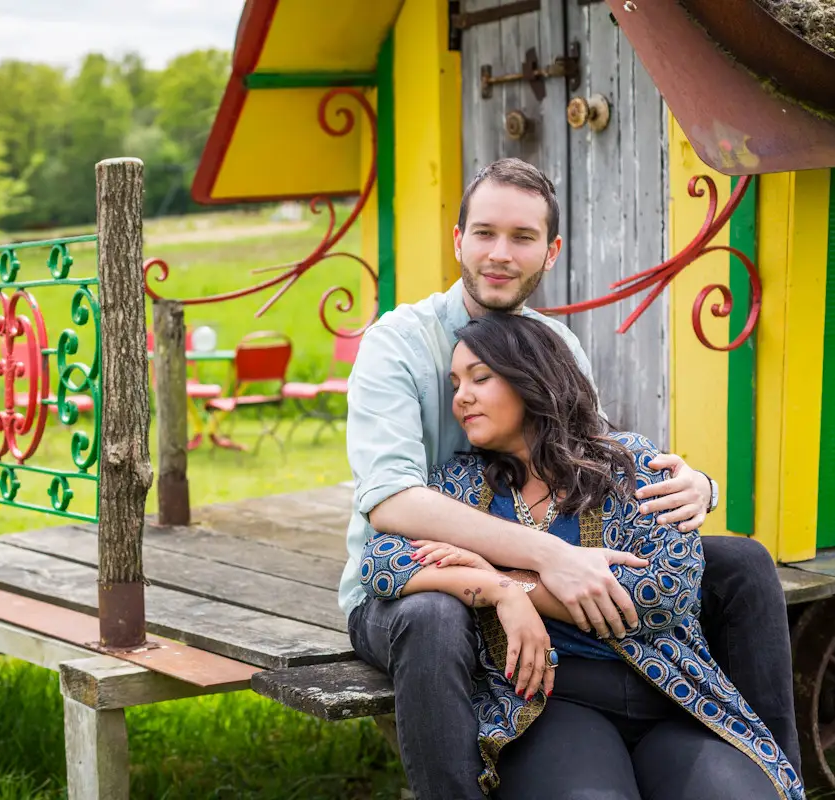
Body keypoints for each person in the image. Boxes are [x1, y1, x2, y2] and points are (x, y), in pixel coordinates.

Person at [342, 158, 799, 799]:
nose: (500, 254)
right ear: (458, 240)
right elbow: (390, 504)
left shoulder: (555, 344)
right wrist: (531, 570)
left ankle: (772, 766)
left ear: (550, 251)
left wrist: (698, 486)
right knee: (436, 617)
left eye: (523, 237)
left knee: (743, 564)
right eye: (484, 233)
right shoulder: (400, 344)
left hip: (548, 578)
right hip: (427, 588)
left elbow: (599, 465)